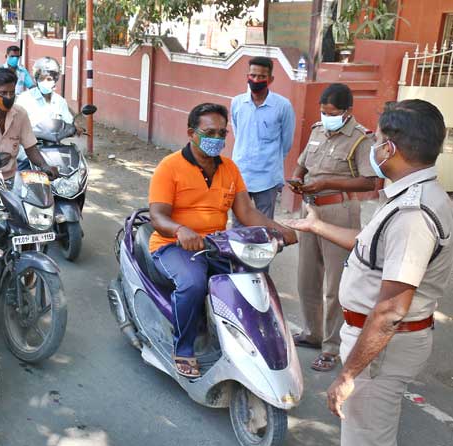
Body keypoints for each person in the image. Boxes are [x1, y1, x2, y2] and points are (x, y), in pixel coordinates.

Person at [289, 99, 453, 446]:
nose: (374, 147)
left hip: (382, 344)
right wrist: (317, 226)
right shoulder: (409, 197)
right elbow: (368, 245)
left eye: (378, 140)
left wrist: (348, 374)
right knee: (360, 445)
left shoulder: (413, 214)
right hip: (381, 339)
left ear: (392, 148)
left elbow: (390, 309)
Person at [148, 102, 297, 377]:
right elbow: (157, 216)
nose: (216, 139)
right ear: (191, 133)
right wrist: (180, 230)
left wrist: (280, 229)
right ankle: (183, 348)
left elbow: (247, 212)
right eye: (209, 132)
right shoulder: (169, 167)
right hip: (173, 245)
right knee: (193, 283)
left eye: (221, 133)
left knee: (253, 277)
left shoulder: (230, 169)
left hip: (218, 245)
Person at [290, 83, 379, 372]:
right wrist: (296, 178)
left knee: (335, 285)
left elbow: (369, 181)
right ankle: (312, 332)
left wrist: (328, 183)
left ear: (348, 111)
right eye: (323, 111)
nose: (326, 116)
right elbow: (302, 164)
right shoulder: (317, 130)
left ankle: (331, 347)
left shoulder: (360, 139)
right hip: (311, 209)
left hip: (339, 211)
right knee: (307, 278)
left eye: (332, 112)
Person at [230, 56, 295, 224]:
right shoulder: (237, 103)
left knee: (264, 225)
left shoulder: (283, 106)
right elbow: (239, 134)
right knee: (238, 223)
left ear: (270, 79)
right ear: (247, 76)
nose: (256, 80)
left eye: (261, 77)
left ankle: (262, 251)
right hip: (241, 173)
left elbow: (286, 143)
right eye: (253, 75)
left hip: (267, 177)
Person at [17, 56, 81, 132]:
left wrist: (75, 127)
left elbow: (69, 120)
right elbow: (16, 121)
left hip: (54, 140)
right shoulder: (24, 98)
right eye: (44, 78)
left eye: (51, 79)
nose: (48, 82)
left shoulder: (59, 101)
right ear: (37, 78)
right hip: (30, 141)